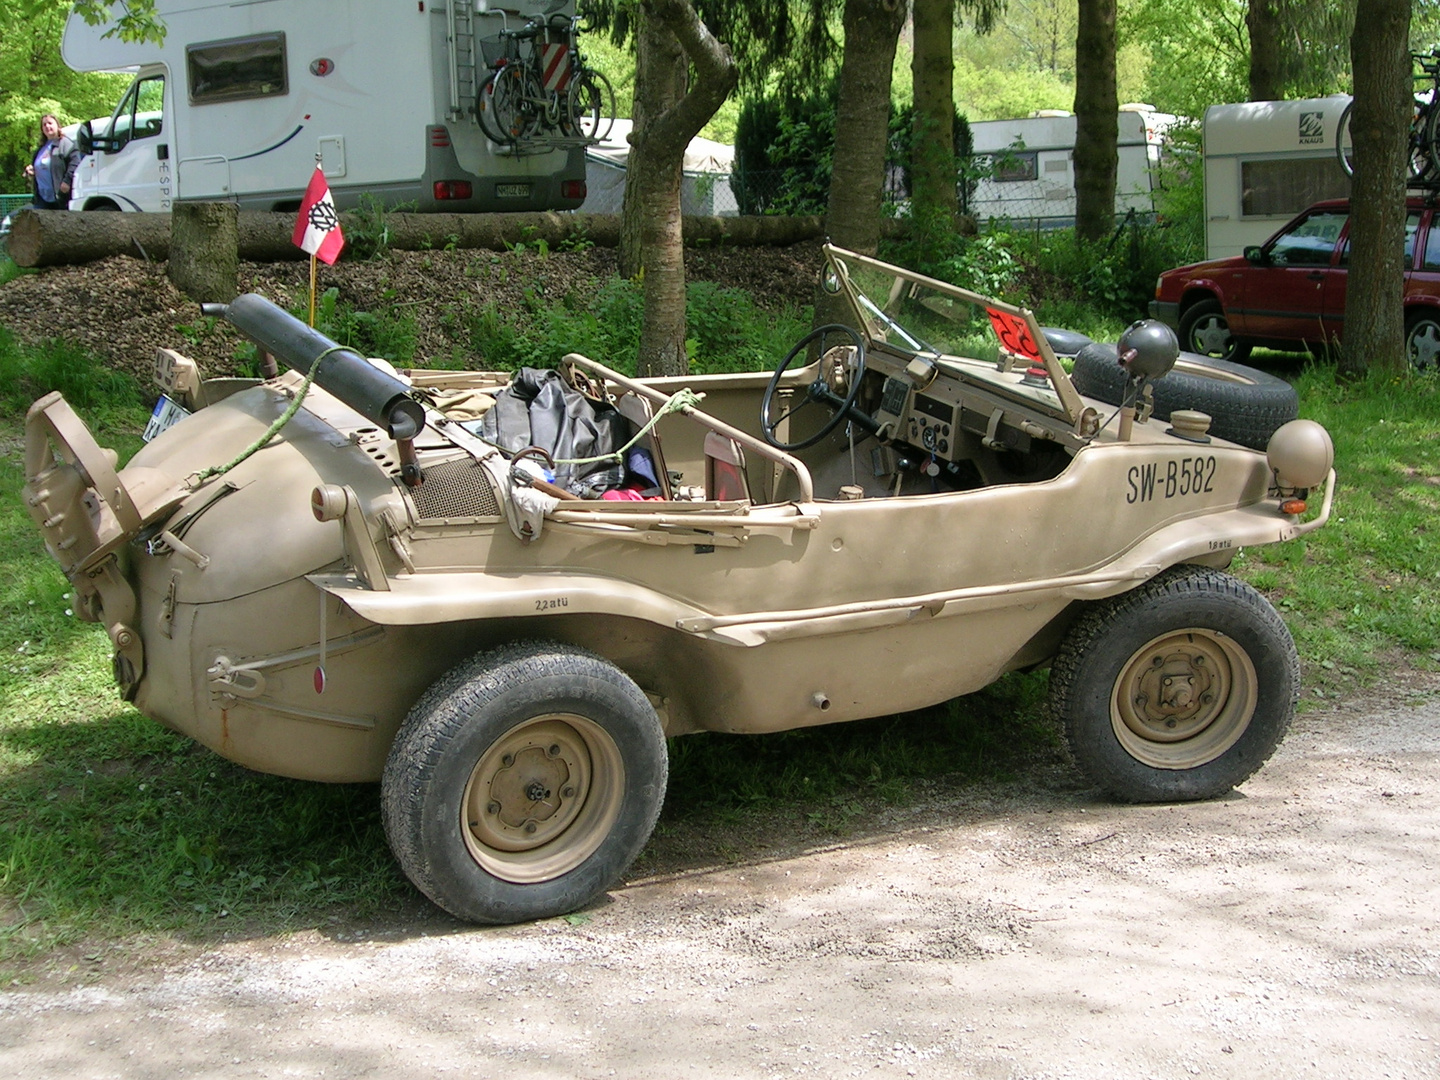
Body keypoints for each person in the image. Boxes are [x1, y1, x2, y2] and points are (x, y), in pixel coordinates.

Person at [23, 114, 81, 210]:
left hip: (61, 197)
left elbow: (75, 163)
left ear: (57, 125)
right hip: (42, 198)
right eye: (44, 125)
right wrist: (32, 170)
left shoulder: (66, 144)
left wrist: (67, 181)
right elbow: (39, 166)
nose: (47, 126)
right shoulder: (40, 149)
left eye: (50, 123)